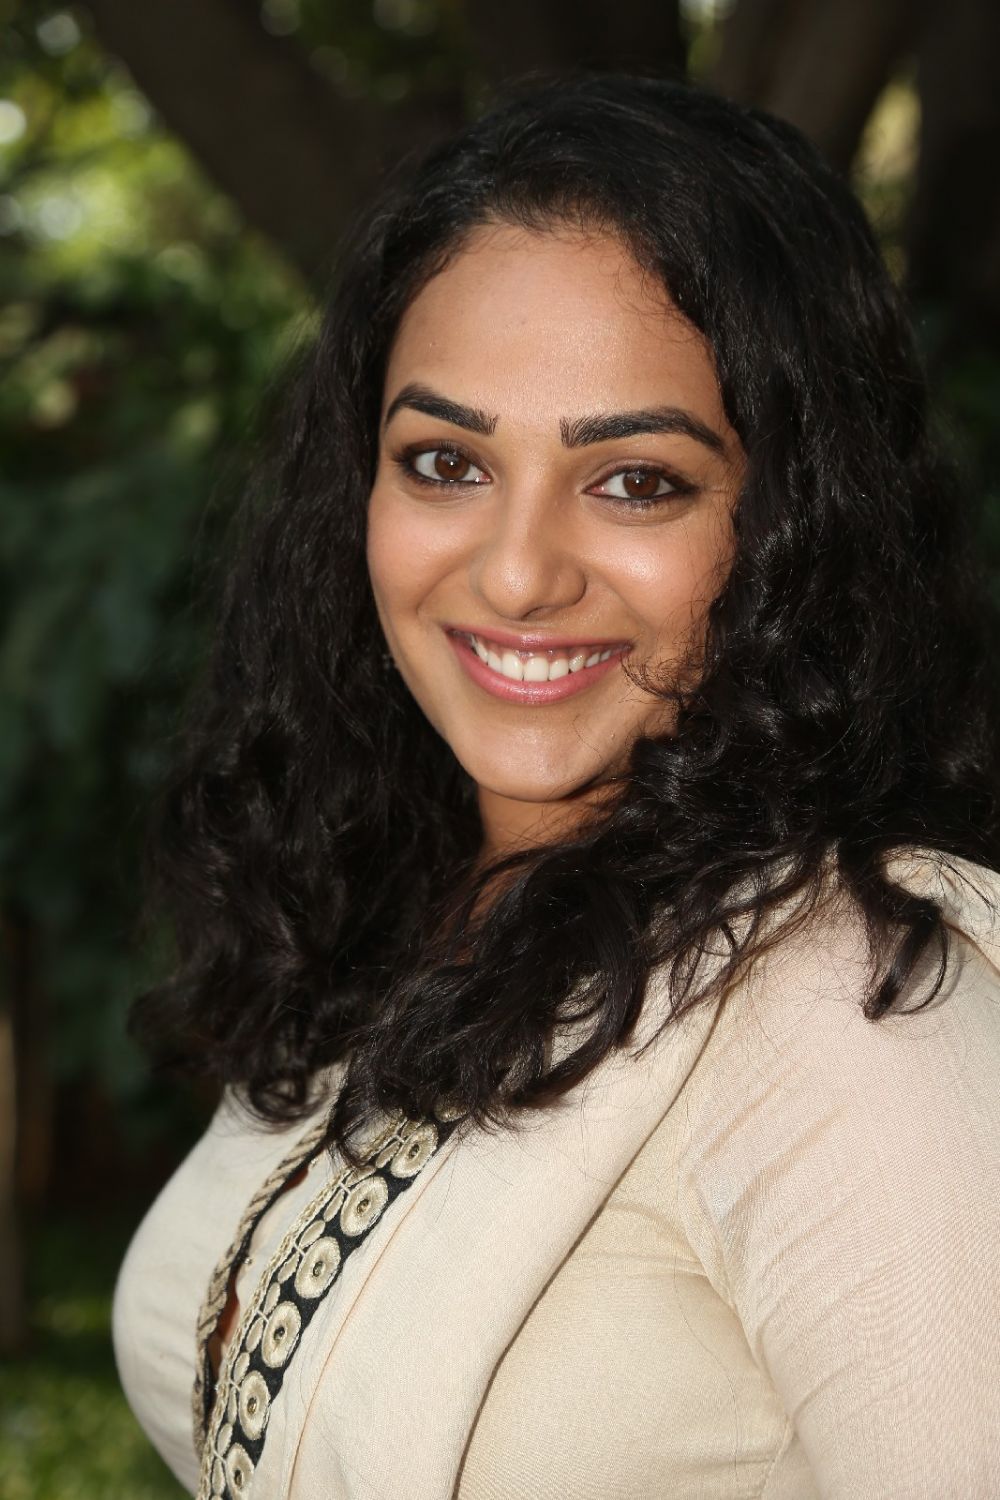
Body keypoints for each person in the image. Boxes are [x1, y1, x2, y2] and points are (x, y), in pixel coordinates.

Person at [112, 73, 1000, 1499]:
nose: (518, 573)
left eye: (636, 480)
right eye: (445, 462)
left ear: (796, 517)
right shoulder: (392, 904)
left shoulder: (855, 1010)